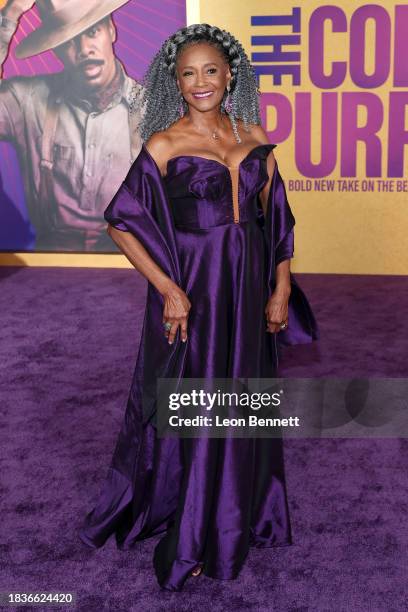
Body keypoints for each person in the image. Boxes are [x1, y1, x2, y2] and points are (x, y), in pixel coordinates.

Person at [79, 23, 319, 591]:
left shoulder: (256, 135)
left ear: (230, 73)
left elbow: (277, 221)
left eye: (210, 70)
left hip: (251, 286)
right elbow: (121, 224)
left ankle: (247, 515)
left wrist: (281, 287)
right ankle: (197, 532)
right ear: (177, 82)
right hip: (199, 291)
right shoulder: (163, 144)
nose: (200, 82)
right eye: (188, 74)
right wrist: (169, 288)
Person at [0, 0, 143, 251]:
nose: (84, 49)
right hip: (50, 267)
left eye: (92, 32)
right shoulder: (26, 101)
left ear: (111, 29)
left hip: (129, 265)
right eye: (69, 40)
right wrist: (8, 17)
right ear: (55, 49)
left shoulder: (152, 110)